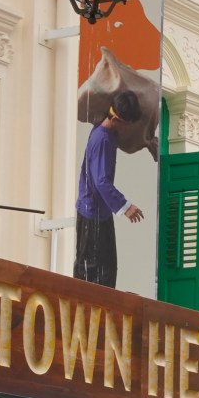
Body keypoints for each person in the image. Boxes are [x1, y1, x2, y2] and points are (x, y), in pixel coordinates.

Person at [73, 90, 146, 288]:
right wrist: (125, 206)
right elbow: (101, 181)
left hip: (97, 211)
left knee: (101, 269)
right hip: (93, 213)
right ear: (120, 120)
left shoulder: (102, 132)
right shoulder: (103, 139)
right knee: (96, 271)